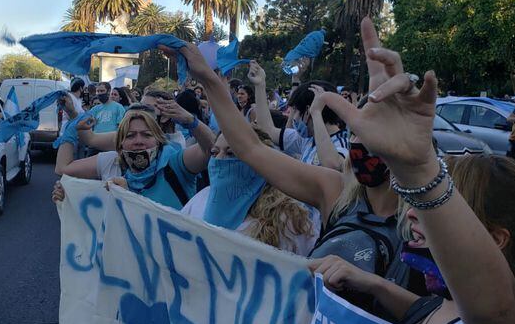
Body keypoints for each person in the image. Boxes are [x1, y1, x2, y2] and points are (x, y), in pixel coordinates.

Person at [303, 22, 515, 324]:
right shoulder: (447, 306)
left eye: (442, 207)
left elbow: (494, 314)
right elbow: (427, 314)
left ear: (493, 240)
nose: (414, 214)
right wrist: (373, 283)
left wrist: (419, 172)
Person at [164, 25, 405, 307]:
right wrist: (208, 78)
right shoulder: (334, 190)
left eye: (381, 135)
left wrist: (376, 287)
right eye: (359, 134)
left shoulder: (424, 214)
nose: (368, 145)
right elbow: (250, 147)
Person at [180, 129, 318, 255]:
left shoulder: (288, 218)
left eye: (231, 153)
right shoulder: (201, 198)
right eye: (214, 153)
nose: (219, 160)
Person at [54, 105, 212, 210]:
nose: (138, 141)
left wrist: (191, 121)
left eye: (146, 135)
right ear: (120, 144)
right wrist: (69, 196)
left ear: (158, 139)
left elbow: (211, 150)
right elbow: (64, 169)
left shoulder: (176, 164)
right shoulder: (113, 162)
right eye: (130, 136)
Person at [249, 60, 348, 168]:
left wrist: (316, 113)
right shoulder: (306, 139)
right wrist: (260, 85)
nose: (293, 117)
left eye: (295, 110)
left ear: (307, 111)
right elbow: (267, 130)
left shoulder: (342, 143)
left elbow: (332, 164)